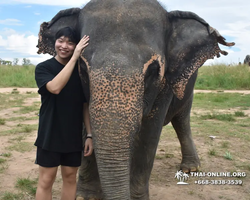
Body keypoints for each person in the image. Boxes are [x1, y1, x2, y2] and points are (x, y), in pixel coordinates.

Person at [34, 27, 93, 200]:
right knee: (46, 180)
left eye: (70, 42)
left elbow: (84, 105)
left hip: (73, 135)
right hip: (50, 134)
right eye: (61, 40)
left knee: (70, 178)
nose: (64, 46)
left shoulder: (81, 73)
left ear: (76, 45)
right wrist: (75, 58)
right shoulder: (44, 68)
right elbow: (55, 87)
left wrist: (89, 135)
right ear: (54, 42)